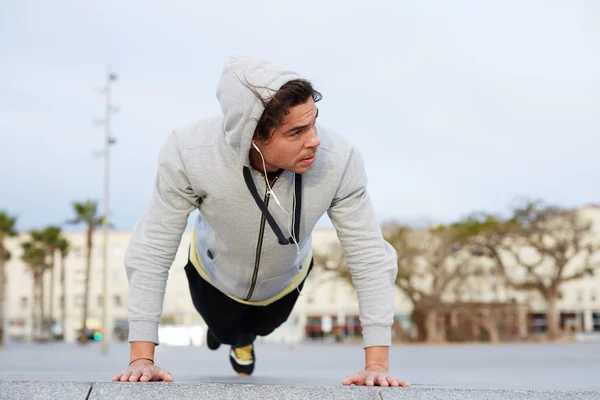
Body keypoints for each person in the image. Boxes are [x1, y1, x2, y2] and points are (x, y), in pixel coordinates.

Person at [112, 56, 409, 387]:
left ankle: (245, 338)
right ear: (252, 135)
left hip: (285, 279)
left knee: (264, 326)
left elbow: (369, 256)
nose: (315, 141)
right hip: (214, 276)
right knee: (224, 327)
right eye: (296, 132)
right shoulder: (189, 153)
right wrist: (141, 359)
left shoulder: (340, 161)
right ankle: (232, 337)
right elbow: (151, 248)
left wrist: (377, 364)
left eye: (313, 123)